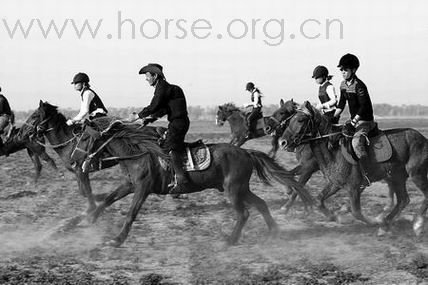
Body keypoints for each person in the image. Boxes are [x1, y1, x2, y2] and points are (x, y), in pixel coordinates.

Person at [133, 63, 190, 194]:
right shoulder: (166, 88)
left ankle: (181, 179)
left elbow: (154, 106)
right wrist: (149, 120)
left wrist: (138, 116)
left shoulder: (163, 88)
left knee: (168, 148)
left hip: (178, 123)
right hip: (176, 122)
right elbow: (163, 109)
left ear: (155, 75)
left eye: (147, 76)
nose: (146, 79)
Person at [333, 53, 376, 187]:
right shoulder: (343, 85)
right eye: (341, 70)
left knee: (357, 143)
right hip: (354, 120)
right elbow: (341, 104)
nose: (343, 72)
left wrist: (353, 122)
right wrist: (334, 117)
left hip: (365, 120)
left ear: (354, 70)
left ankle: (367, 175)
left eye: (345, 70)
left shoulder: (359, 86)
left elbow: (364, 107)